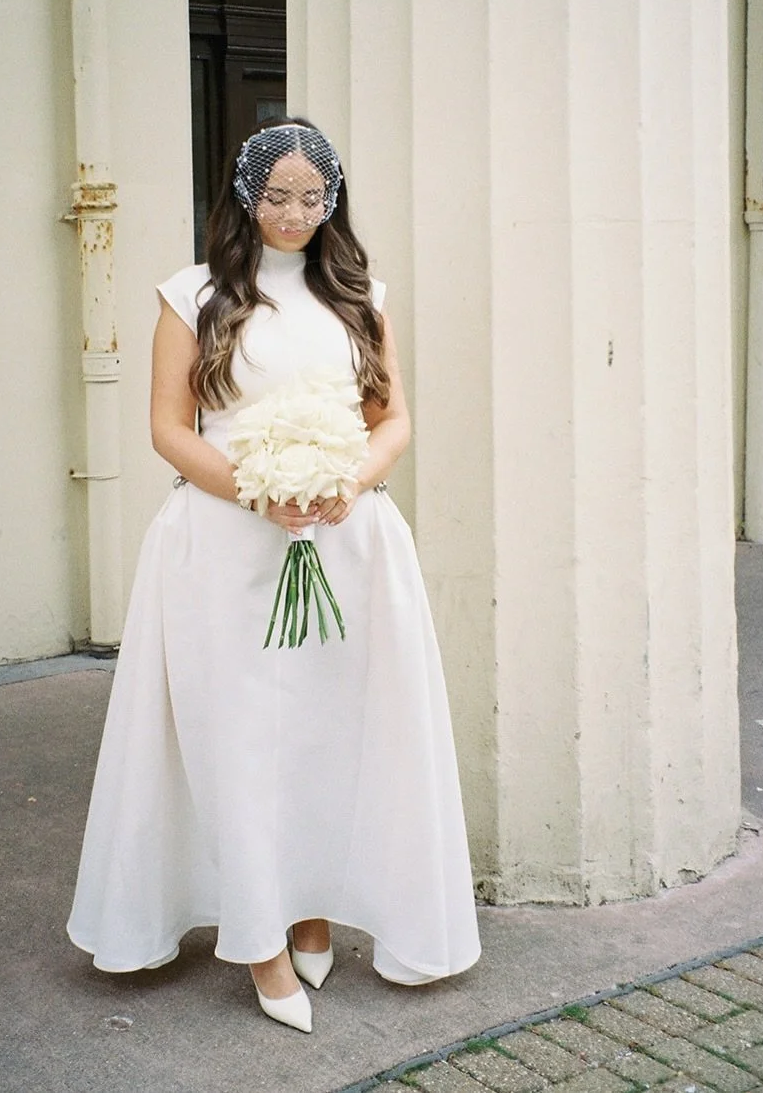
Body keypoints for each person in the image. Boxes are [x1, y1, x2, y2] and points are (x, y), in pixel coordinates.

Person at [67, 119, 480, 1032]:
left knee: (328, 733)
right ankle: (259, 940)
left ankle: (311, 904)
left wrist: (344, 485)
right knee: (240, 736)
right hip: (222, 547)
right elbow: (169, 430)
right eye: (276, 193)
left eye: (312, 194)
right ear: (243, 196)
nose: (294, 211)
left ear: (332, 201)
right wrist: (260, 492)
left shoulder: (360, 293)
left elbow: (392, 419)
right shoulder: (193, 296)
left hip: (346, 542)